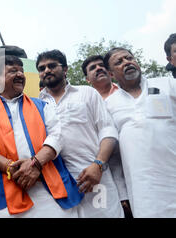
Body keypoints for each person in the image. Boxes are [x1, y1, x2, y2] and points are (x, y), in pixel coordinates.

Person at [0, 55, 83, 218]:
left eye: (21, 70)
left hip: (48, 191)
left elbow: (57, 136)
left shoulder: (43, 106)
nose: (20, 74)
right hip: (4, 195)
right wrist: (11, 167)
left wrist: (35, 164)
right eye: (13, 71)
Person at [37, 50, 124, 218]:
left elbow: (108, 130)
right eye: (42, 68)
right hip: (59, 185)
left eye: (52, 65)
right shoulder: (38, 104)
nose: (46, 70)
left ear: (65, 69)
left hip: (96, 177)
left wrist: (98, 165)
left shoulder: (86, 93)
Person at [104, 47, 176, 217]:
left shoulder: (167, 84)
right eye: (119, 62)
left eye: (129, 58)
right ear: (111, 74)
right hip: (143, 189)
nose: (127, 62)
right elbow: (113, 156)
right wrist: (122, 193)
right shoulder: (109, 104)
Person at [82, 54, 131, 217]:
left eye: (101, 65)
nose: (98, 68)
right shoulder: (85, 104)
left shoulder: (128, 93)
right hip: (105, 174)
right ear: (87, 80)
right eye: (92, 68)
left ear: (110, 72)